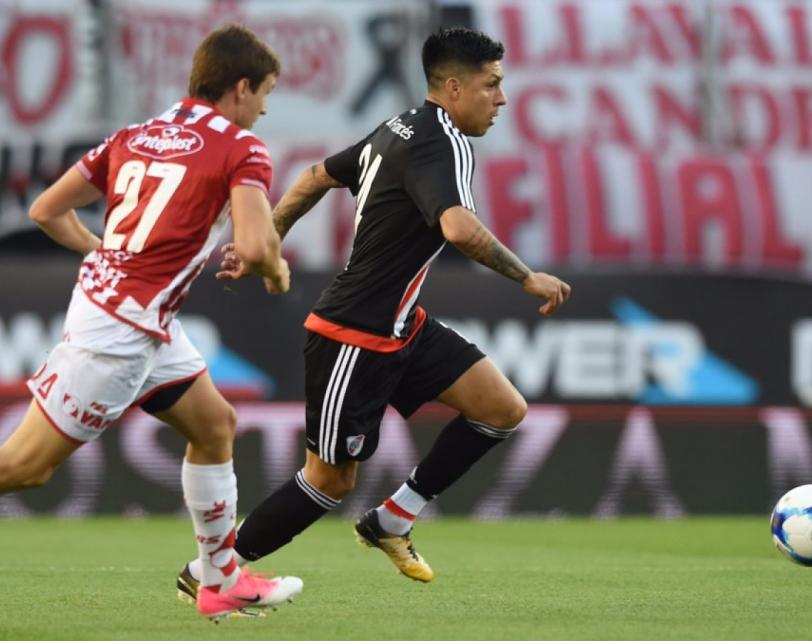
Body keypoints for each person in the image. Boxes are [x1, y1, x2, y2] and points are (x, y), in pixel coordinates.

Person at [0, 23, 303, 621]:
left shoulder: (136, 133)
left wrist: (105, 252)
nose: (267, 107)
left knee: (214, 425)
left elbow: (46, 209)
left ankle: (221, 578)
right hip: (121, 333)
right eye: (266, 92)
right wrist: (275, 273)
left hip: (132, 315)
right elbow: (254, 246)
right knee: (25, 465)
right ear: (241, 86)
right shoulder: (242, 148)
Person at [177, 26, 571, 598]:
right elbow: (458, 227)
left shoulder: (398, 128)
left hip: (401, 325)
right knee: (330, 480)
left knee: (502, 408)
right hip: (354, 335)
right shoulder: (445, 142)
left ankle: (393, 518)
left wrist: (274, 234)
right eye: (492, 85)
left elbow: (316, 176)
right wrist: (527, 275)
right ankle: (209, 574)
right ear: (455, 88)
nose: (501, 98)